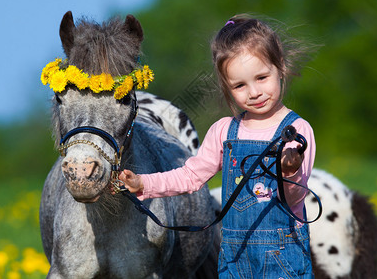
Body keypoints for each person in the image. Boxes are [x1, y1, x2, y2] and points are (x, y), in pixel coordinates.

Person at [119, 14, 316, 278]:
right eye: (239, 85)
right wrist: (144, 184)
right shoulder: (224, 130)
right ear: (227, 87)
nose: (254, 92)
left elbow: (294, 200)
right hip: (234, 257)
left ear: (279, 66)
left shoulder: (297, 131)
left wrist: (290, 172)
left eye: (261, 77)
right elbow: (191, 176)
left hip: (282, 256)